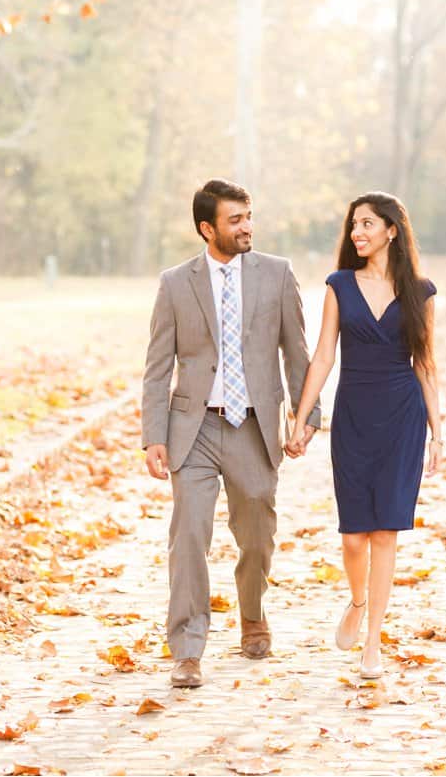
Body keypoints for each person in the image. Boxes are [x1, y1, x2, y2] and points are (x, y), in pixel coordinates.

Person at [141, 178, 321, 689]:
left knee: (257, 533)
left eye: (249, 217)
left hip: (254, 425)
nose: (247, 227)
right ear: (207, 228)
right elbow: (157, 367)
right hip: (192, 429)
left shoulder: (277, 275)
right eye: (235, 220)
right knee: (190, 534)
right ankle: (188, 648)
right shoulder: (176, 284)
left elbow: (297, 352)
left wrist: (306, 416)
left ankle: (253, 614)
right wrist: (154, 433)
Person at [286, 191, 442, 680]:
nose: (358, 233)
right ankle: (356, 601)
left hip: (402, 416)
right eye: (354, 225)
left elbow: (426, 363)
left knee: (386, 531)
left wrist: (438, 431)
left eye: (368, 224)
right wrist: (301, 416)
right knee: (354, 536)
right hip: (354, 414)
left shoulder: (422, 292)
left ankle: (373, 639)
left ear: (392, 230)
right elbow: (323, 356)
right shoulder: (339, 285)